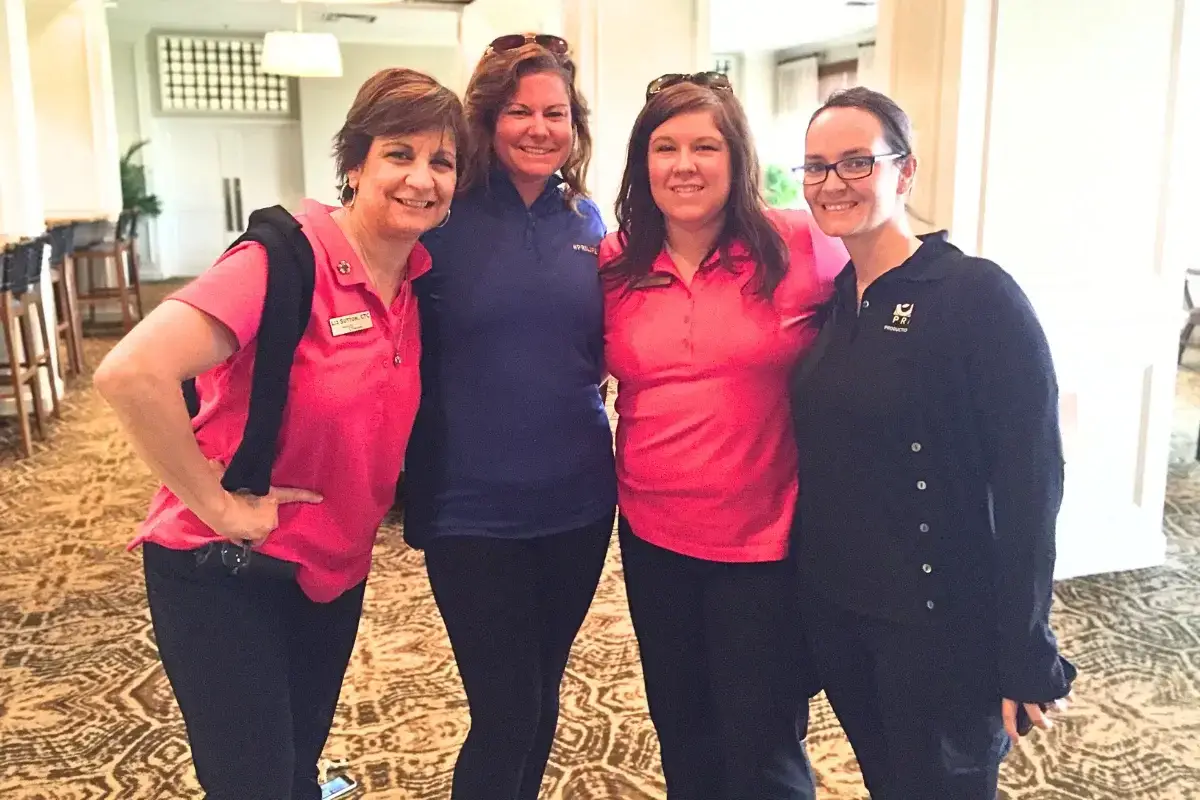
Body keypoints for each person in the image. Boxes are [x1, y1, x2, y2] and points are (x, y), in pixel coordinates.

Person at [93, 68, 465, 800]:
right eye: (399, 152)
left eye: (442, 161)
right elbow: (130, 372)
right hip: (229, 572)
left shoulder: (418, 283)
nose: (422, 177)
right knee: (254, 784)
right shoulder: (283, 261)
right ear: (354, 164)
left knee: (294, 767)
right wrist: (220, 506)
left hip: (331, 571)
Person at [790, 85, 1077, 799]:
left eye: (857, 162)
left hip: (940, 630)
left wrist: (1025, 647)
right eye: (817, 167)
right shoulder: (837, 300)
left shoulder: (976, 296)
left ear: (905, 171)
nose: (834, 183)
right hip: (845, 616)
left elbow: (1029, 482)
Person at [598, 73, 847, 800]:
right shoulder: (613, 263)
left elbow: (891, 296)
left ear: (737, 158)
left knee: (765, 744)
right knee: (685, 732)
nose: (685, 164)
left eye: (705, 146)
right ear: (642, 162)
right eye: (665, 146)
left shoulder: (800, 244)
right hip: (651, 537)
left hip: (764, 546)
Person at [401, 34, 616, 800]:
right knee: (506, 707)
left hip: (580, 502)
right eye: (519, 111)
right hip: (471, 509)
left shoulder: (590, 223)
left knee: (542, 693)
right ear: (486, 119)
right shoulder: (440, 218)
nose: (538, 127)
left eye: (555, 112)